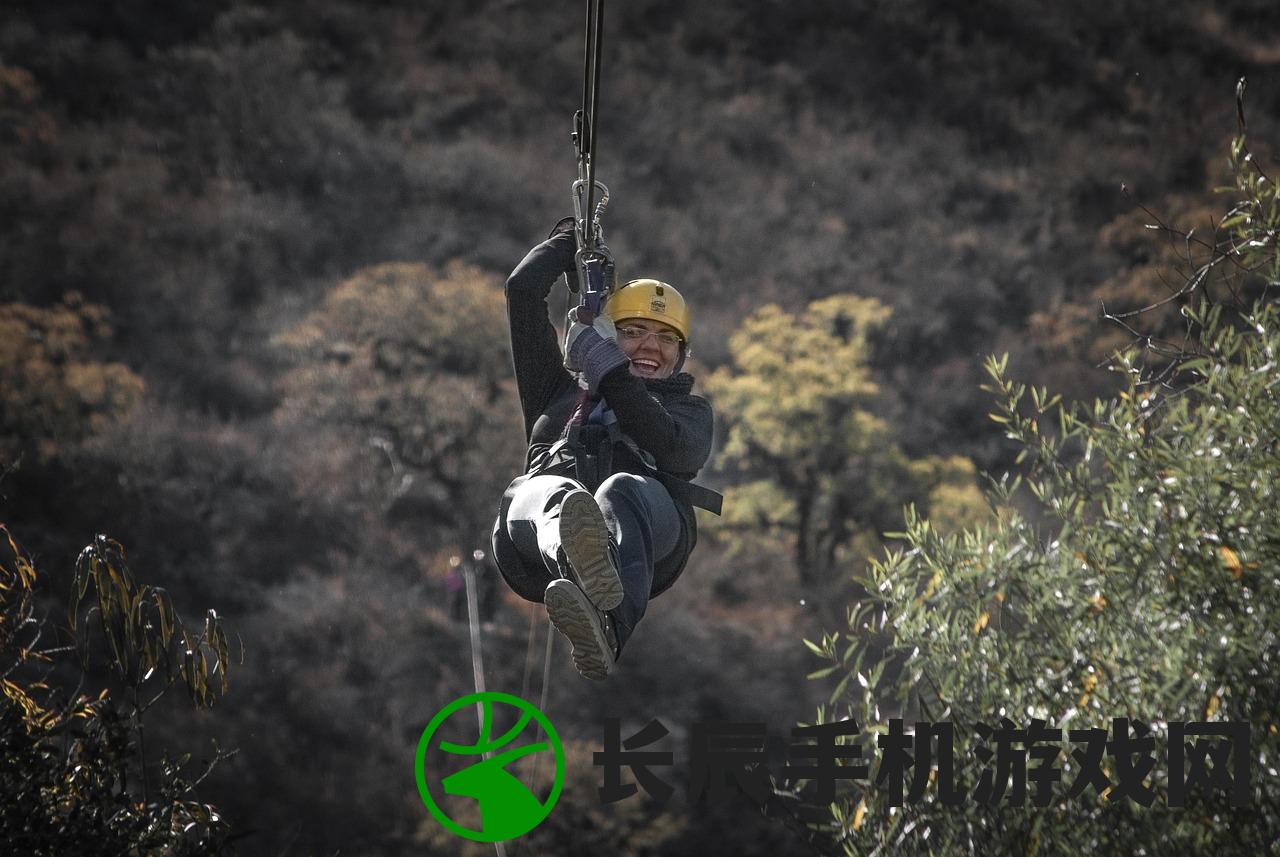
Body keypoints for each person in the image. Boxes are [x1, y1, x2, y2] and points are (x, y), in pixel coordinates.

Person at [491, 218, 720, 680]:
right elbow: (522, 291)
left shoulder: (690, 412)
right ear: (607, 332)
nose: (650, 346)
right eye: (634, 331)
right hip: (535, 545)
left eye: (666, 338)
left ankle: (609, 623)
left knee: (620, 488)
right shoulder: (554, 391)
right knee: (547, 490)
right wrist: (569, 244)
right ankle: (574, 557)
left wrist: (607, 368)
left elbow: (671, 448)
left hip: (644, 541)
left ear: (682, 354)